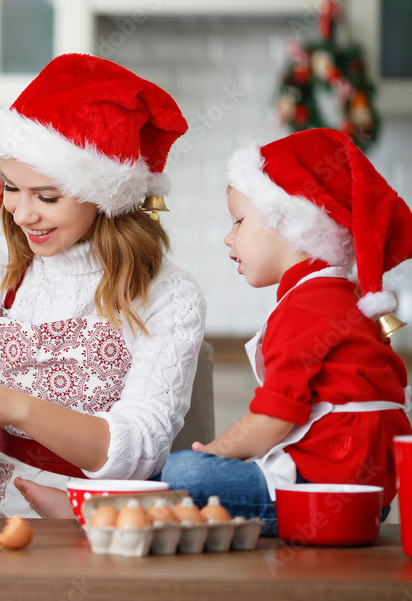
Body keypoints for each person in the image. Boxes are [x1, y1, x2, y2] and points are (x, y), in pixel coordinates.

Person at [0, 54, 206, 518]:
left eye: (47, 197)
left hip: (112, 521)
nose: (22, 214)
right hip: (2, 517)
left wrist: (14, 406)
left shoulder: (168, 292)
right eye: (11, 188)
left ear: (103, 195)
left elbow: (141, 450)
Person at [162, 127, 412, 535]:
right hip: (370, 498)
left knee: (182, 469)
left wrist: (214, 453)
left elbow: (272, 420)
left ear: (290, 222)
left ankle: (100, 505)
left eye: (239, 220)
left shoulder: (306, 306)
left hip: (324, 492)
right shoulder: (339, 296)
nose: (229, 237)